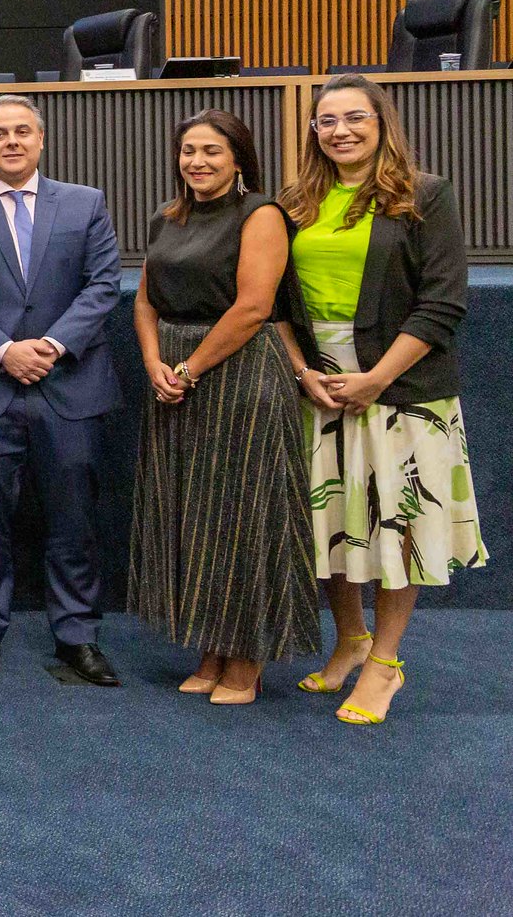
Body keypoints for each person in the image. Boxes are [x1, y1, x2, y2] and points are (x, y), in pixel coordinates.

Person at [279, 75, 487, 725]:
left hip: (399, 389)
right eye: (325, 120)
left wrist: (373, 378)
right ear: (311, 131)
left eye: (352, 117)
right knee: (333, 526)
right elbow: (273, 302)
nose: (338, 129)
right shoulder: (295, 203)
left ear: (380, 121)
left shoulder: (423, 195)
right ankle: (349, 639)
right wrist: (301, 371)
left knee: (395, 531)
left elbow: (442, 302)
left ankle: (384, 663)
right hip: (321, 387)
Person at [0, 94, 123, 686]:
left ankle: (77, 636)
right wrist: (4, 350)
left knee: (74, 518)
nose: (11, 142)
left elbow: (103, 285)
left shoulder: (85, 203)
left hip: (70, 385)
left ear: (40, 140)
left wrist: (52, 346)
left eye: (21, 132)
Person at [130, 109, 318, 705]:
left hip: (241, 375)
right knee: (197, 517)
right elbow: (144, 301)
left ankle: (248, 659)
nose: (198, 162)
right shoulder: (168, 216)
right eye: (188, 150)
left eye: (211, 150)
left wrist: (186, 368)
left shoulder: (260, 213)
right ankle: (213, 648)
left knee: (244, 516)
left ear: (238, 158)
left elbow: (254, 307)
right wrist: (154, 363)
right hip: (176, 375)